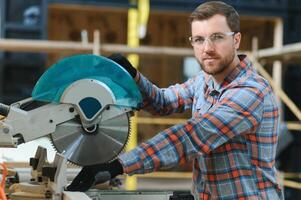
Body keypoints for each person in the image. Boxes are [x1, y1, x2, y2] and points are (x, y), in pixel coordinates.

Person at [67, 1, 284, 199]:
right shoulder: (204, 81)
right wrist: (132, 76)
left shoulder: (252, 92)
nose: (207, 48)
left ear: (236, 40)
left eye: (217, 37)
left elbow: (191, 137)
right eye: (198, 40)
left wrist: (117, 166)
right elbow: (163, 102)